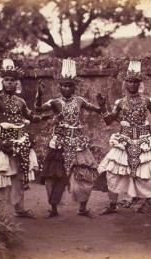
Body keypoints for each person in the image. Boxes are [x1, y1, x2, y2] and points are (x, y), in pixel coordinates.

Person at [96, 61, 151, 219]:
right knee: (113, 172)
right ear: (125, 83)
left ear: (140, 83)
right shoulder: (120, 102)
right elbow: (109, 121)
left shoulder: (147, 101)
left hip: (144, 141)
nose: (132, 84)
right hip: (124, 141)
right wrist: (103, 107)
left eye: (135, 81)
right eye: (129, 81)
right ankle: (112, 205)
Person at [0, 58, 47, 218]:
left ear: (17, 83)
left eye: (13, 81)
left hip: (21, 141)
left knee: (19, 176)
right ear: (2, 82)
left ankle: (20, 209)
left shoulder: (20, 101)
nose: (10, 83)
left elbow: (31, 116)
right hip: (3, 143)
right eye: (7, 80)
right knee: (0, 176)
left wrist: (46, 116)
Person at [34, 59, 101, 218]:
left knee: (85, 174)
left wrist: (103, 105)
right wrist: (40, 94)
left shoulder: (80, 101)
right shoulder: (54, 102)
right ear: (60, 86)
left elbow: (97, 109)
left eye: (70, 85)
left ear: (74, 86)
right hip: (59, 143)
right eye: (64, 85)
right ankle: (54, 209)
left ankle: (83, 208)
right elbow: (37, 108)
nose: (67, 88)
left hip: (78, 142)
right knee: (53, 176)